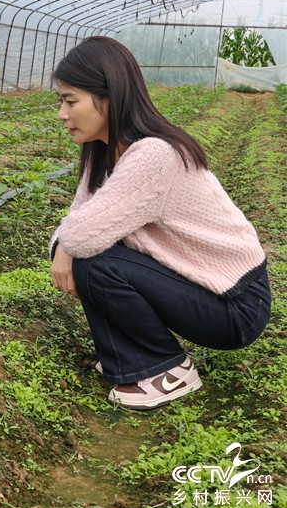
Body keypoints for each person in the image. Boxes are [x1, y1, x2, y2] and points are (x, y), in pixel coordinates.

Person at [49, 36, 270, 410]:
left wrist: (66, 250)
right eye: (61, 102)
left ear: (109, 96)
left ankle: (168, 370)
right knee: (91, 254)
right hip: (201, 288)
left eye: (71, 101)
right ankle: (130, 357)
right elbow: (77, 221)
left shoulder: (154, 155)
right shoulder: (101, 154)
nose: (62, 114)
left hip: (236, 304)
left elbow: (81, 236)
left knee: (95, 262)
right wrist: (63, 248)